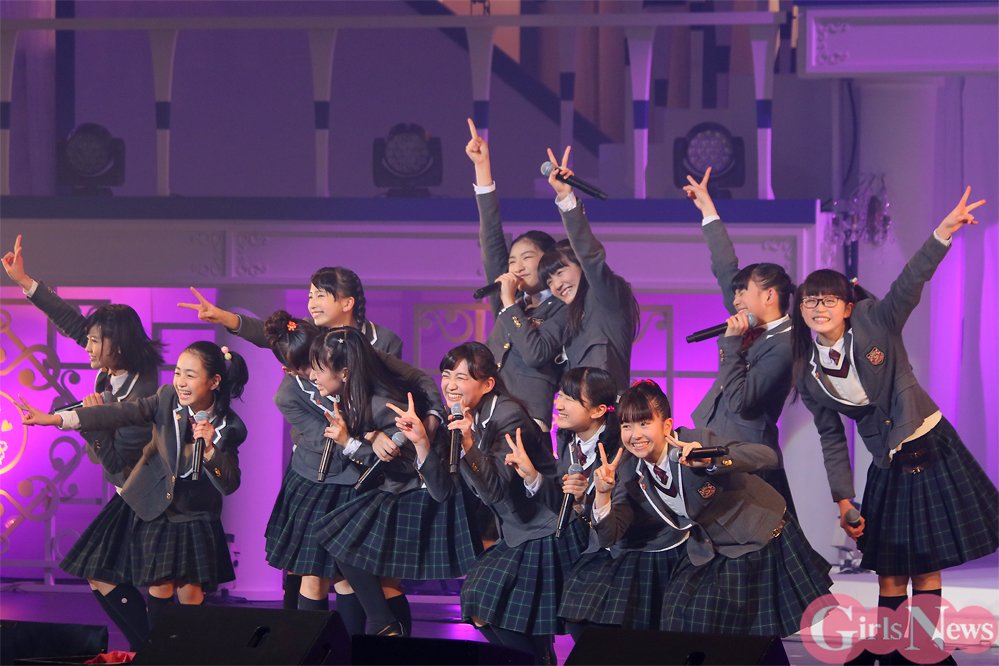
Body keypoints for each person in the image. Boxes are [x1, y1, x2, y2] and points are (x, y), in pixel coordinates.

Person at [790, 187, 997, 663]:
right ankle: (889, 649)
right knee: (887, 568)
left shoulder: (876, 321)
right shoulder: (808, 372)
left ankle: (921, 649)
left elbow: (910, 280)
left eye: (828, 300)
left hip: (927, 442)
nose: (819, 308)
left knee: (924, 563)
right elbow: (830, 437)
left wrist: (943, 232)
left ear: (847, 306)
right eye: (809, 301)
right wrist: (843, 500)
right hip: (885, 458)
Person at [17, 341, 248, 632]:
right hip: (157, 504)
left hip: (195, 513)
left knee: (190, 592)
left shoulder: (230, 426)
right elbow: (120, 412)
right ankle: (153, 649)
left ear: (214, 381)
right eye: (178, 372)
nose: (180, 382)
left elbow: (230, 483)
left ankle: (189, 650)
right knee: (159, 586)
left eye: (190, 375)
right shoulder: (167, 398)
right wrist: (57, 419)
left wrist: (211, 449)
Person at [3, 233, 164, 650]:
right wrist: (25, 282)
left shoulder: (140, 393)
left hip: (144, 496)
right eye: (89, 339)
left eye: (95, 342)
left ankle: (154, 650)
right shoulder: (116, 367)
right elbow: (73, 321)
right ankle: (150, 649)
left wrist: (91, 425)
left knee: (131, 579)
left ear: (118, 346)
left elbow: (118, 466)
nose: (87, 346)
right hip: (130, 493)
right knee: (102, 575)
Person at [595, 380, 831, 638]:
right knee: (676, 614)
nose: (635, 435)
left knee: (752, 635)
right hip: (707, 547)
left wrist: (711, 460)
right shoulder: (630, 470)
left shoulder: (696, 441)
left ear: (667, 426)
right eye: (626, 426)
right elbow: (608, 536)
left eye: (644, 423)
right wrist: (602, 494)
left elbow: (767, 456)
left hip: (756, 534)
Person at [308, 326, 449, 637]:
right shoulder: (354, 395)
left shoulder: (381, 403)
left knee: (347, 546)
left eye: (318, 369)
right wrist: (368, 437)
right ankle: (382, 624)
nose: (312, 376)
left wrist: (350, 443)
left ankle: (383, 624)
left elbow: (405, 465)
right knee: (347, 552)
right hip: (391, 488)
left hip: (410, 494)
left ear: (344, 373)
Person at [445, 342, 574, 665]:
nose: (450, 385)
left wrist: (469, 444)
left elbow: (495, 491)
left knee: (484, 601)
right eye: (447, 375)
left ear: (488, 383)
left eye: (461, 377)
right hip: (516, 530)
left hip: (544, 528)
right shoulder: (467, 416)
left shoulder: (508, 415)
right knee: (497, 614)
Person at [682, 168, 798, 515]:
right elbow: (725, 267)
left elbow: (742, 401)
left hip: (748, 454)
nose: (736, 301)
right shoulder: (750, 325)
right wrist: (708, 211)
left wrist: (731, 345)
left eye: (743, 293)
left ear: (769, 295)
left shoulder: (785, 344)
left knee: (758, 534)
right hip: (715, 442)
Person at [260, 311, 369, 631]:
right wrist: (356, 439)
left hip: (355, 481)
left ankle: (352, 648)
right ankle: (312, 648)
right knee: (314, 575)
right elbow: (324, 442)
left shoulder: (346, 365)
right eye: (306, 367)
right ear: (289, 369)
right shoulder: (287, 395)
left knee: (348, 576)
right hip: (316, 482)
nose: (316, 369)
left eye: (317, 359)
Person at [465, 118, 567, 429]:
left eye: (527, 258)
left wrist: (509, 304)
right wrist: (482, 169)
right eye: (512, 261)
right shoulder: (510, 301)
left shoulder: (563, 307)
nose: (517, 267)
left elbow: (536, 355)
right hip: (487, 416)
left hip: (528, 420)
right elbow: (492, 239)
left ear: (548, 261)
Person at [537, 147, 640, 393]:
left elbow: (590, 256)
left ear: (580, 266)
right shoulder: (569, 315)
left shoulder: (604, 296)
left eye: (560, 272)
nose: (556, 285)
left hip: (608, 411)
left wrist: (566, 198)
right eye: (549, 281)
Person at [179, 265, 402, 358]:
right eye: (310, 297)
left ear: (347, 303)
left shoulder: (385, 342)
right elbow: (266, 333)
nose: (312, 304)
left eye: (320, 296)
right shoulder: (307, 331)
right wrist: (222, 316)